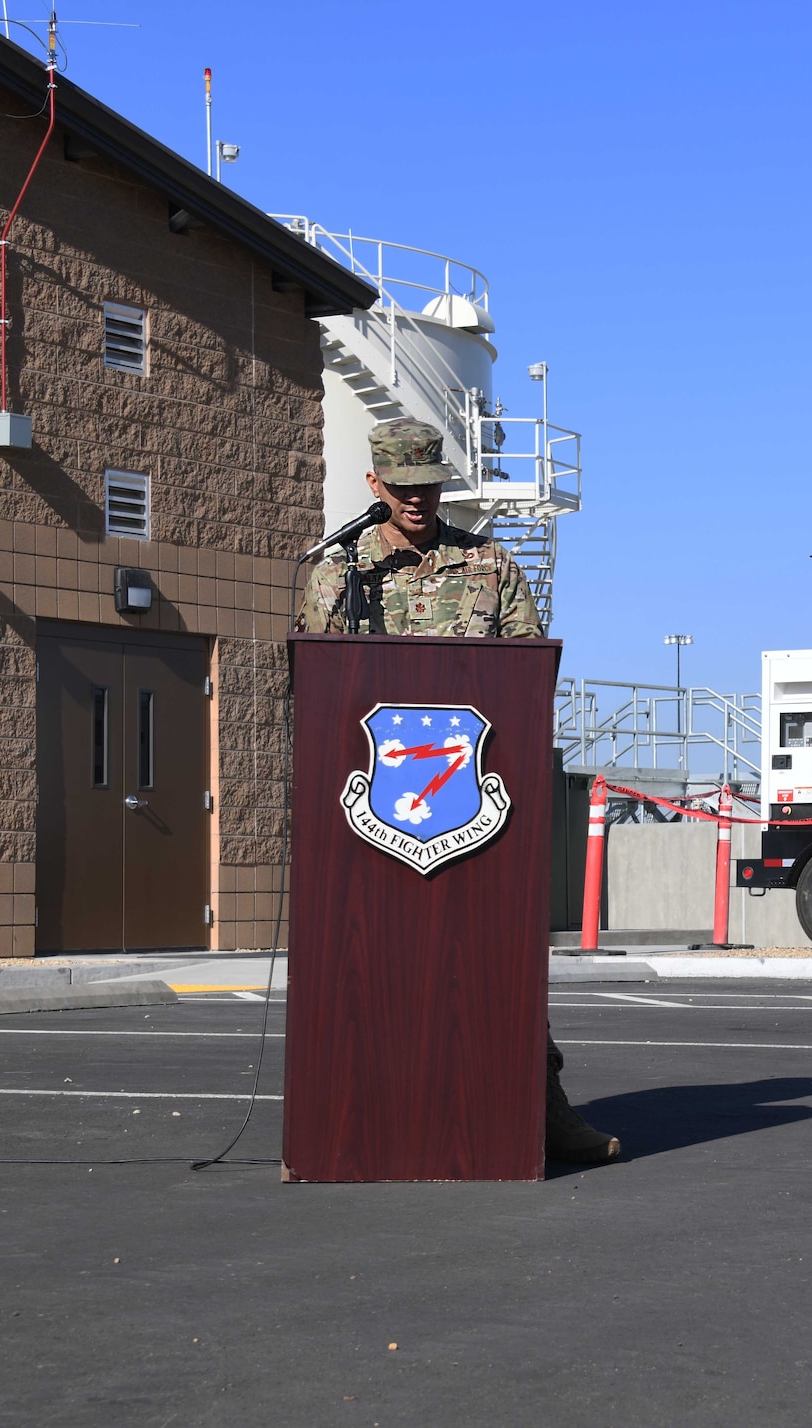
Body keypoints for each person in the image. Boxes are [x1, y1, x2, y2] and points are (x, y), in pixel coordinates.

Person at [296, 417, 621, 1164]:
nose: (418, 500)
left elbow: (527, 685)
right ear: (373, 484)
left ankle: (538, 1113)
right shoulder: (336, 572)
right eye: (403, 487)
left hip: (477, 816)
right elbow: (318, 693)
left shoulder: (492, 568)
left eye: (431, 486)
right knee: (365, 971)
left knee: (496, 964)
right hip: (368, 820)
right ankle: (352, 1123)